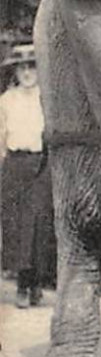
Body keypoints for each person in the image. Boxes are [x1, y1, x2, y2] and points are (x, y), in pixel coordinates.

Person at [0, 44, 56, 309]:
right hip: (14, 164)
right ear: (16, 71)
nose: (27, 73)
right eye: (22, 68)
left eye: (31, 67)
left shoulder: (46, 98)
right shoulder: (6, 100)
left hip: (40, 164)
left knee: (39, 224)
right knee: (15, 225)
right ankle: (22, 285)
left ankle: (36, 283)